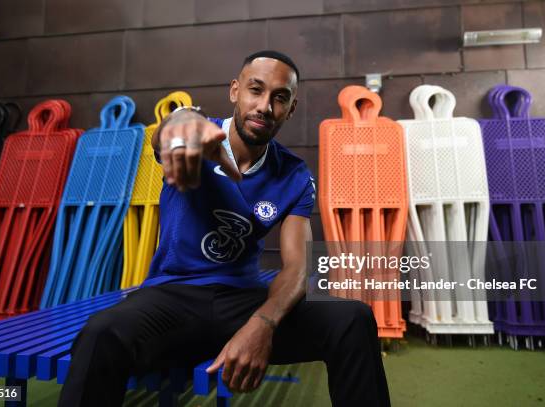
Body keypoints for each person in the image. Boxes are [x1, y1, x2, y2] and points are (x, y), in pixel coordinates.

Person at [58, 50, 390, 407]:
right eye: (255, 90)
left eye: (280, 98)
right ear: (235, 91)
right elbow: (170, 132)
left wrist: (263, 323)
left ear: (291, 109)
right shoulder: (197, 137)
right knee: (100, 333)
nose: (264, 106)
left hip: (242, 302)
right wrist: (184, 122)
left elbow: (298, 267)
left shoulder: (294, 175)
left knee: (352, 319)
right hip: (173, 297)